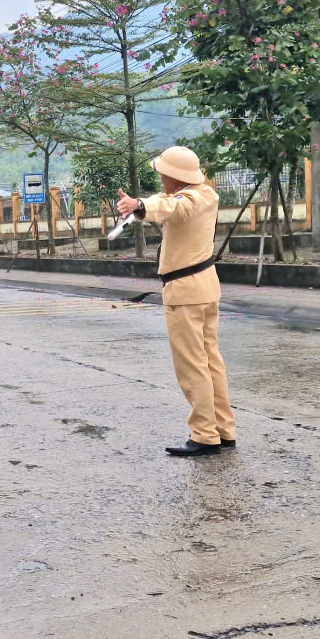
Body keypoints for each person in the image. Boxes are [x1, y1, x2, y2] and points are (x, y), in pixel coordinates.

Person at [116, 146, 234, 457]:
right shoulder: (207, 195)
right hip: (205, 287)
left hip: (185, 291)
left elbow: (172, 207)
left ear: (174, 176)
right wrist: (141, 207)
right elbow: (166, 203)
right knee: (211, 362)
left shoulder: (190, 198)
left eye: (163, 173)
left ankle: (204, 435)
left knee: (192, 366)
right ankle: (223, 429)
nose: (161, 178)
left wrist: (139, 204)